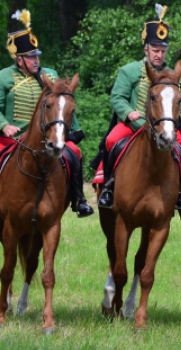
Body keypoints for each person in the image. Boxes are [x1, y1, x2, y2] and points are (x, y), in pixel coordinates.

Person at [97, 4, 181, 209]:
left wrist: (177, 126)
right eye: (155, 50)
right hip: (134, 123)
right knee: (111, 140)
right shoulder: (130, 70)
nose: (159, 54)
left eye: (163, 50)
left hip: (165, 126)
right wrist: (128, 112)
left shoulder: (173, 76)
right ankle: (109, 186)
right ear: (146, 49)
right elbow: (117, 98)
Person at [0, 9, 94, 218]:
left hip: (48, 136)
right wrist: (4, 125)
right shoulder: (4, 77)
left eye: (36, 56)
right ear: (19, 59)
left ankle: (79, 200)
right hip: (13, 137)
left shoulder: (49, 75)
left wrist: (74, 129)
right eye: (30, 57)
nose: (35, 60)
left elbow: (65, 104)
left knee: (75, 154)